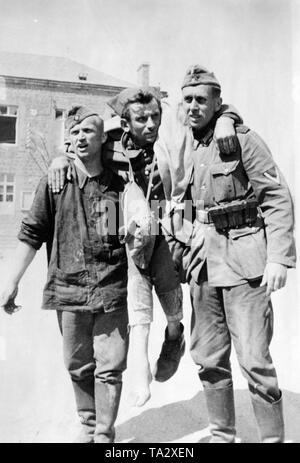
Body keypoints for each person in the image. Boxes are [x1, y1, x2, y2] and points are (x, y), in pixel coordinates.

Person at [48, 87, 243, 408]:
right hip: (122, 221)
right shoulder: (109, 136)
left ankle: (174, 333)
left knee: (168, 291)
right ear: (125, 123)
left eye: (155, 117)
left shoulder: (174, 132)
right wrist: (59, 158)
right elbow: (75, 147)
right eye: (142, 119)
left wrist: (226, 120)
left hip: (170, 217)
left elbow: (217, 111)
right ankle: (141, 373)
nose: (151, 124)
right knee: (135, 294)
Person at [155, 65, 296, 443]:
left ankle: (271, 440)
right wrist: (179, 247)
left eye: (202, 99)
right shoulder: (183, 144)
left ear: (218, 101)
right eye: (187, 100)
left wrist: (279, 258)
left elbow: (277, 197)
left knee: (254, 359)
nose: (194, 107)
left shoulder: (242, 139)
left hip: (246, 262)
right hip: (203, 263)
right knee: (208, 355)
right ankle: (222, 434)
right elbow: (176, 202)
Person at [0, 106, 129, 443]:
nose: (81, 137)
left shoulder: (118, 185)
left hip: (111, 288)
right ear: (69, 141)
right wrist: (11, 280)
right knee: (79, 365)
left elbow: (119, 234)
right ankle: (88, 426)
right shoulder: (55, 182)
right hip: (69, 289)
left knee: (111, 366)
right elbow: (32, 233)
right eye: (75, 132)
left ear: (103, 138)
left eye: (88, 131)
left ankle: (103, 434)